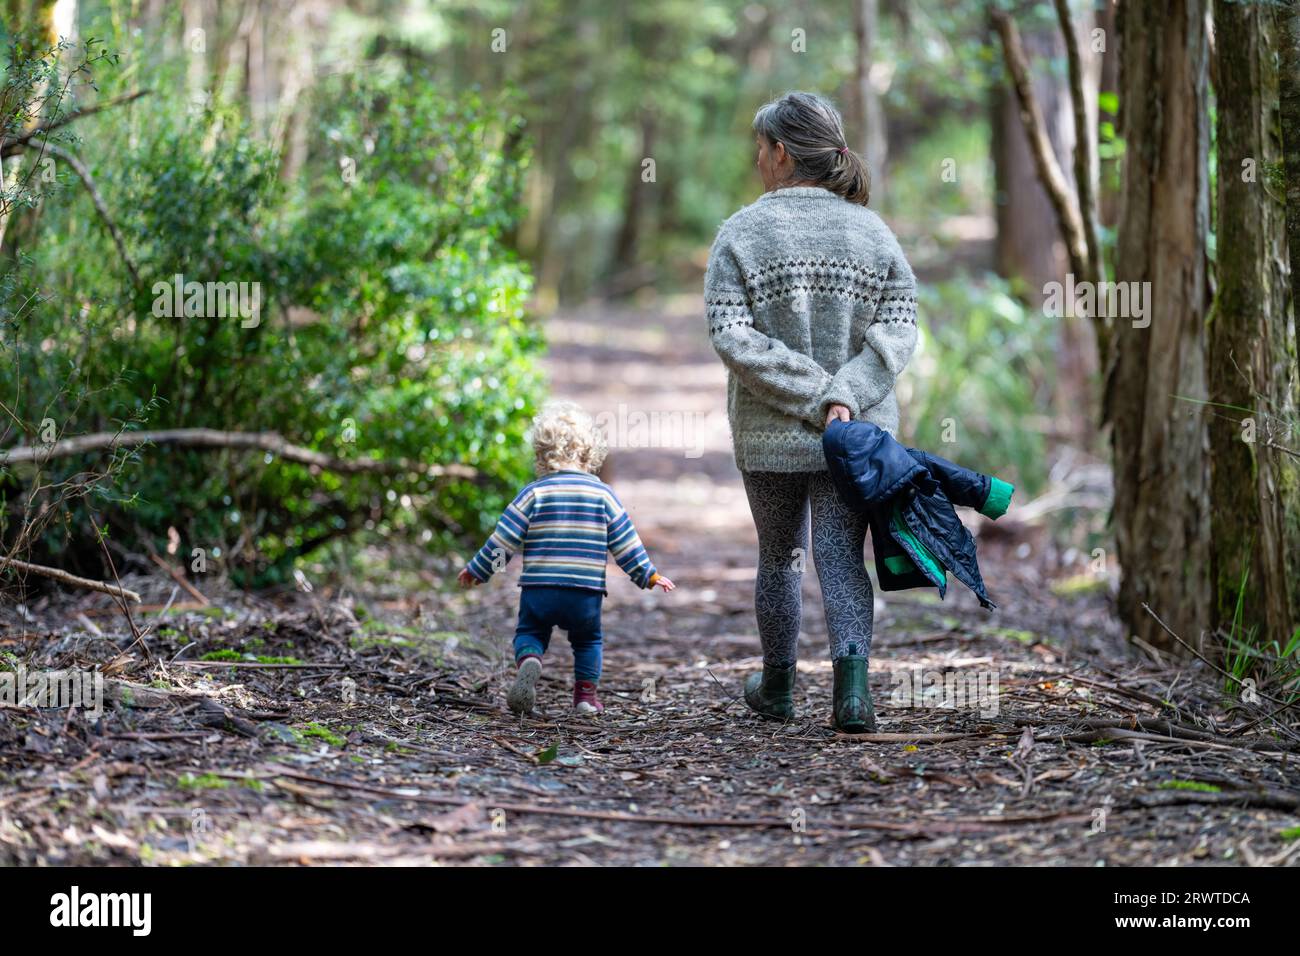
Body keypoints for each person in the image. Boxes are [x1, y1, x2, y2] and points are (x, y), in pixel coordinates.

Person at [705, 91, 918, 732]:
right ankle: (852, 698)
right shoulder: (874, 233)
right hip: (855, 433)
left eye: (760, 148)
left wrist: (810, 392)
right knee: (840, 558)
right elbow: (901, 329)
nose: (757, 159)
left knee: (779, 557)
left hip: (771, 431)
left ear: (780, 153)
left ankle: (778, 689)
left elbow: (732, 336)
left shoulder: (741, 233)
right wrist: (843, 394)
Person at [457, 401, 675, 715]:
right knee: (587, 642)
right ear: (589, 453)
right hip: (584, 594)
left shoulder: (534, 493)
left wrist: (479, 570)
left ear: (541, 455)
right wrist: (648, 574)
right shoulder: (603, 495)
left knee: (529, 632)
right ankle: (585, 697)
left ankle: (530, 659)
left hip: (540, 590)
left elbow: (504, 540)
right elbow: (625, 542)